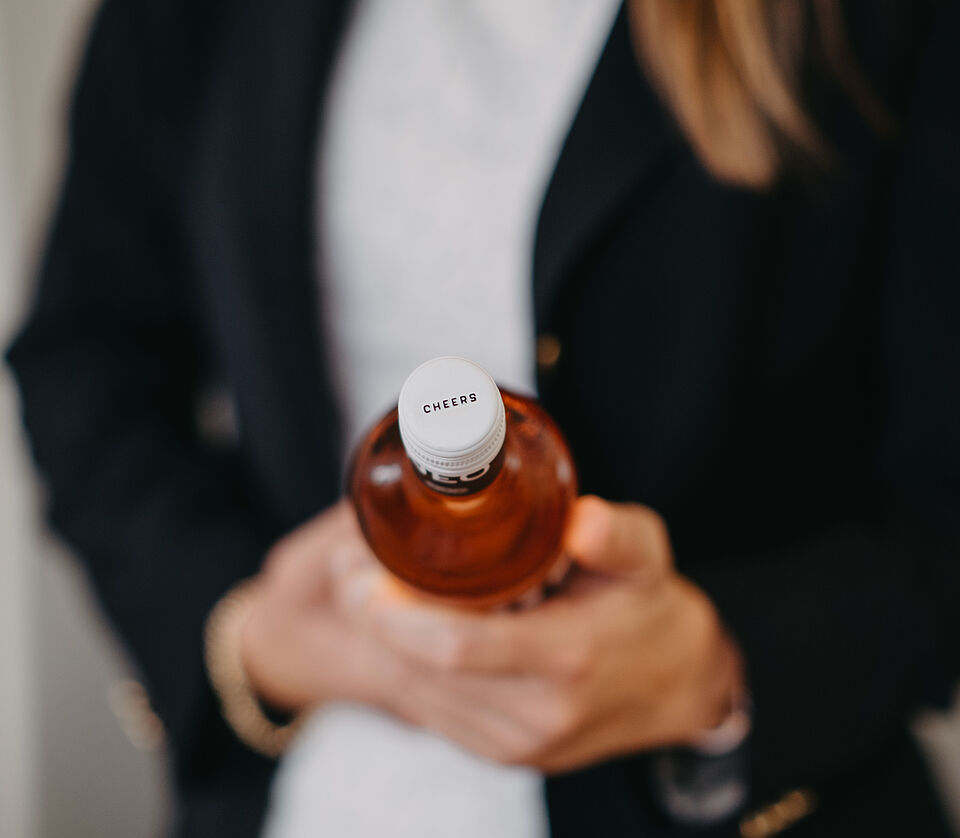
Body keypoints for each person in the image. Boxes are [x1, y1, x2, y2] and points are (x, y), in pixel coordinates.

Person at [7, 0, 959, 836]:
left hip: (735, 800)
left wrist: (720, 666)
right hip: (325, 800)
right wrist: (247, 632)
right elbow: (87, 353)